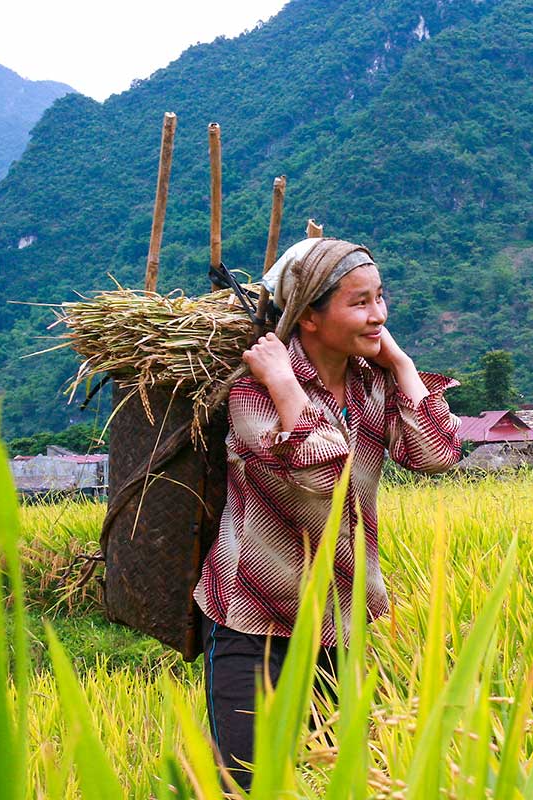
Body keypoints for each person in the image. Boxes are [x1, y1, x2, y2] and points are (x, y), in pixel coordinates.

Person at [192, 238, 462, 788]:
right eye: (360, 303)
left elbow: (437, 454)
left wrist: (404, 363)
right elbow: (323, 479)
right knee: (247, 783)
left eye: (381, 299)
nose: (378, 315)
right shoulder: (253, 391)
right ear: (310, 318)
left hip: (340, 618)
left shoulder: (373, 384)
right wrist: (287, 385)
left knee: (333, 780)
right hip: (253, 618)